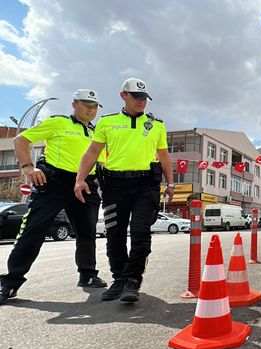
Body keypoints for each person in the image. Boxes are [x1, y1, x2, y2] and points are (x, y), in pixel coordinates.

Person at [1, 90, 108, 304]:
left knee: (87, 233)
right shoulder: (57, 123)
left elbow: (104, 161)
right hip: (54, 182)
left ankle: (87, 274)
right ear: (74, 104)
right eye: (87, 104)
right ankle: (10, 282)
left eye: (95, 106)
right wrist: (28, 167)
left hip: (85, 183)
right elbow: (21, 140)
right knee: (34, 229)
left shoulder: (97, 133)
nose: (91, 109)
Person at [74, 78, 174, 304]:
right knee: (115, 234)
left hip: (146, 184)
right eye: (136, 98)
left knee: (140, 231)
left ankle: (132, 280)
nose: (141, 102)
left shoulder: (156, 124)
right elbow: (91, 153)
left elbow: (165, 156)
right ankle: (119, 278)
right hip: (114, 185)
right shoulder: (107, 122)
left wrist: (170, 183)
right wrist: (80, 179)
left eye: (144, 99)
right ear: (123, 96)